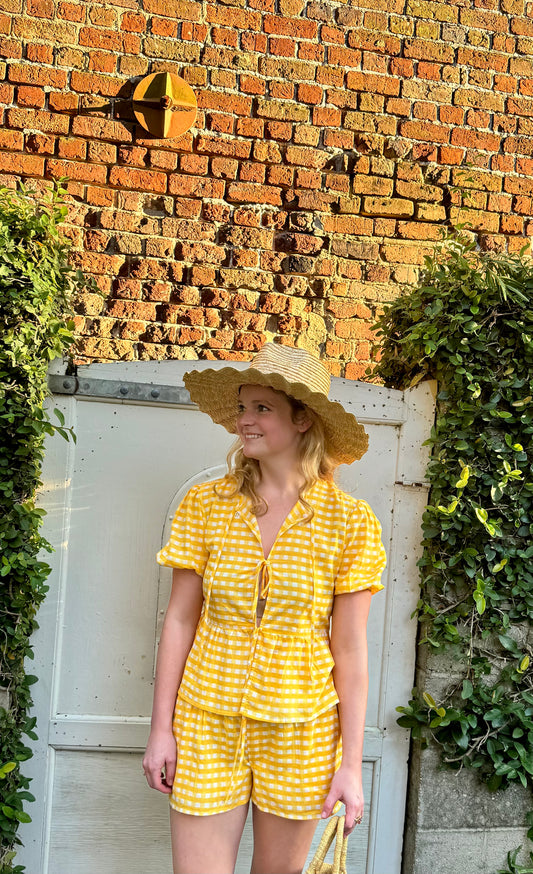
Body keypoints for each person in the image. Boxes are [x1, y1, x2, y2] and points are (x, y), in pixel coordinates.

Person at [142, 343, 386, 874]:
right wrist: (161, 729)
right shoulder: (206, 505)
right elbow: (180, 620)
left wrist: (350, 764)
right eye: (242, 407)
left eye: (261, 408)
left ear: (303, 420)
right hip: (206, 718)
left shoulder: (350, 522)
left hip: (302, 726)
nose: (243, 421)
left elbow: (349, 648)